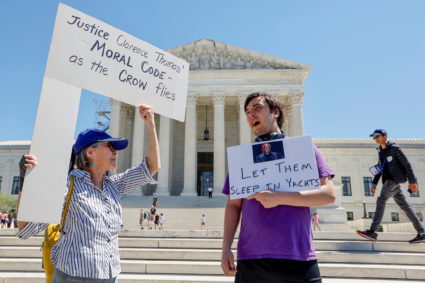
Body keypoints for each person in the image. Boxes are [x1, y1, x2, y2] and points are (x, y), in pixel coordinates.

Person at [16, 105, 160, 282]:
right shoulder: (67, 187)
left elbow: (151, 167)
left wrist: (151, 125)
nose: (116, 151)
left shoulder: (113, 186)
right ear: (90, 152)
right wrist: (25, 182)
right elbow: (26, 229)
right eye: (110, 146)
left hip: (109, 275)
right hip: (74, 276)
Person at [221, 92, 336, 283]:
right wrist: (226, 248)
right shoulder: (243, 159)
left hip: (298, 257)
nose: (251, 114)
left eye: (257, 108)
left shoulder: (303, 150)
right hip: (251, 259)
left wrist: (280, 197)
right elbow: (233, 205)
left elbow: (328, 195)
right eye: (247, 111)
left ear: (275, 112)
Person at [357, 129, 425, 243]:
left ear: (385, 136)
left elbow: (407, 165)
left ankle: (372, 231)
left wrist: (412, 182)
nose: (375, 139)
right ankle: (422, 232)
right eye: (374, 137)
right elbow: (379, 169)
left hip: (394, 180)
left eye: (377, 136)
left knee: (381, 200)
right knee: (405, 207)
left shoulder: (394, 148)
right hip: (389, 181)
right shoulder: (380, 151)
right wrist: (374, 183)